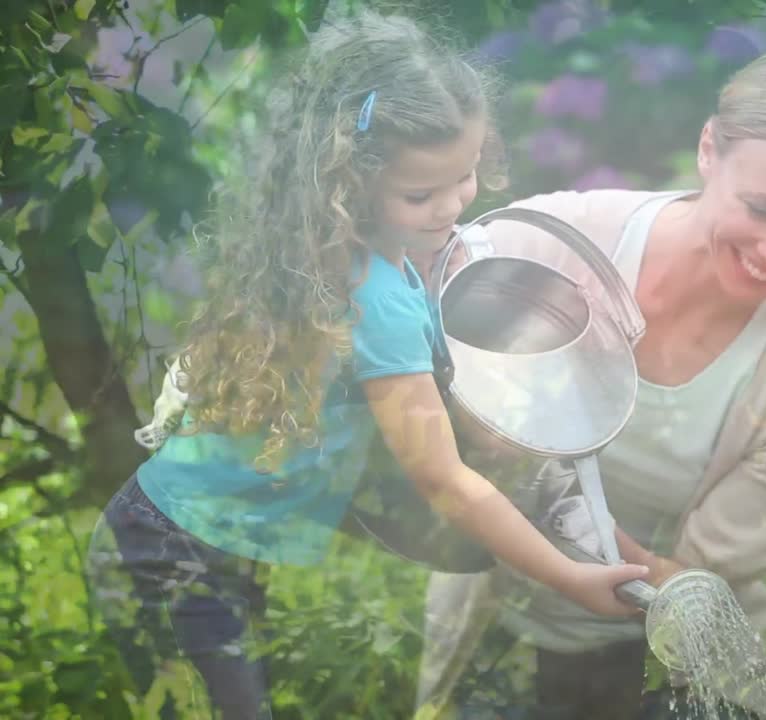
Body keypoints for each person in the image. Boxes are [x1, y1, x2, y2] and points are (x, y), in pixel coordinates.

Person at [85, 12, 648, 720]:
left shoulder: (344, 255)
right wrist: (567, 577)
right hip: (170, 560)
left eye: (466, 175)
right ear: (348, 182)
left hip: (189, 543)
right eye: (421, 195)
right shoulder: (375, 297)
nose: (451, 206)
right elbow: (443, 482)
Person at [415, 44, 766, 720]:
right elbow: (416, 400)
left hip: (664, 667)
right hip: (497, 627)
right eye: (760, 208)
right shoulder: (552, 243)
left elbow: (697, 582)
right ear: (708, 150)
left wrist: (546, 496)